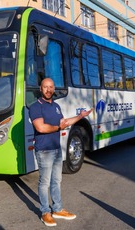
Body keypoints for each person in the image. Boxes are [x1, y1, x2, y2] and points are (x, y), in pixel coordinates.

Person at [29, 78, 93, 227]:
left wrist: (80, 117)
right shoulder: (35, 107)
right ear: (41, 88)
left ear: (54, 89)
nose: (48, 90)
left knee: (57, 180)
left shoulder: (56, 106)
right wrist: (58, 128)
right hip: (44, 150)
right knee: (44, 182)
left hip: (56, 149)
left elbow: (64, 123)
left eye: (51, 87)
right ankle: (45, 212)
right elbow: (41, 128)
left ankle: (57, 209)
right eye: (45, 87)